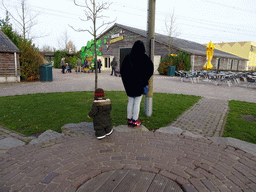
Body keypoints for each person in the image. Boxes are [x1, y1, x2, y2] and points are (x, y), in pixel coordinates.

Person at [120, 40, 154, 128]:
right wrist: (144, 79)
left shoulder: (128, 57)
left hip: (129, 86)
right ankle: (135, 121)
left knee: (130, 102)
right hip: (140, 85)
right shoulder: (145, 58)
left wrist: (126, 82)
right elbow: (150, 69)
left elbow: (122, 71)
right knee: (137, 103)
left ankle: (129, 120)